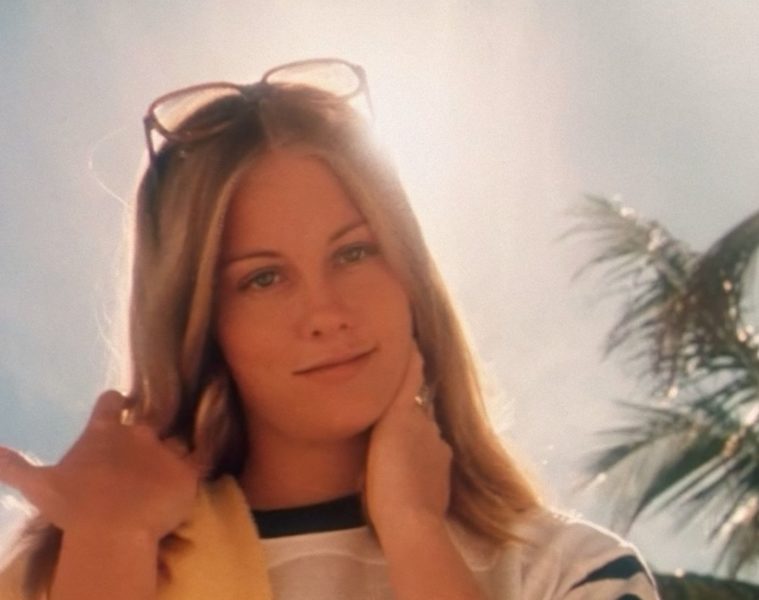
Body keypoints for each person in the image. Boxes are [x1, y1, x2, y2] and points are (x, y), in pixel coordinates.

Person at [0, 58, 659, 600]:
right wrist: (109, 548)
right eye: (263, 279)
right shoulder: (55, 570)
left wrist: (416, 533)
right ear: (197, 322)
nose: (324, 313)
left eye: (354, 252)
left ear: (410, 274)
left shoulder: (569, 571)